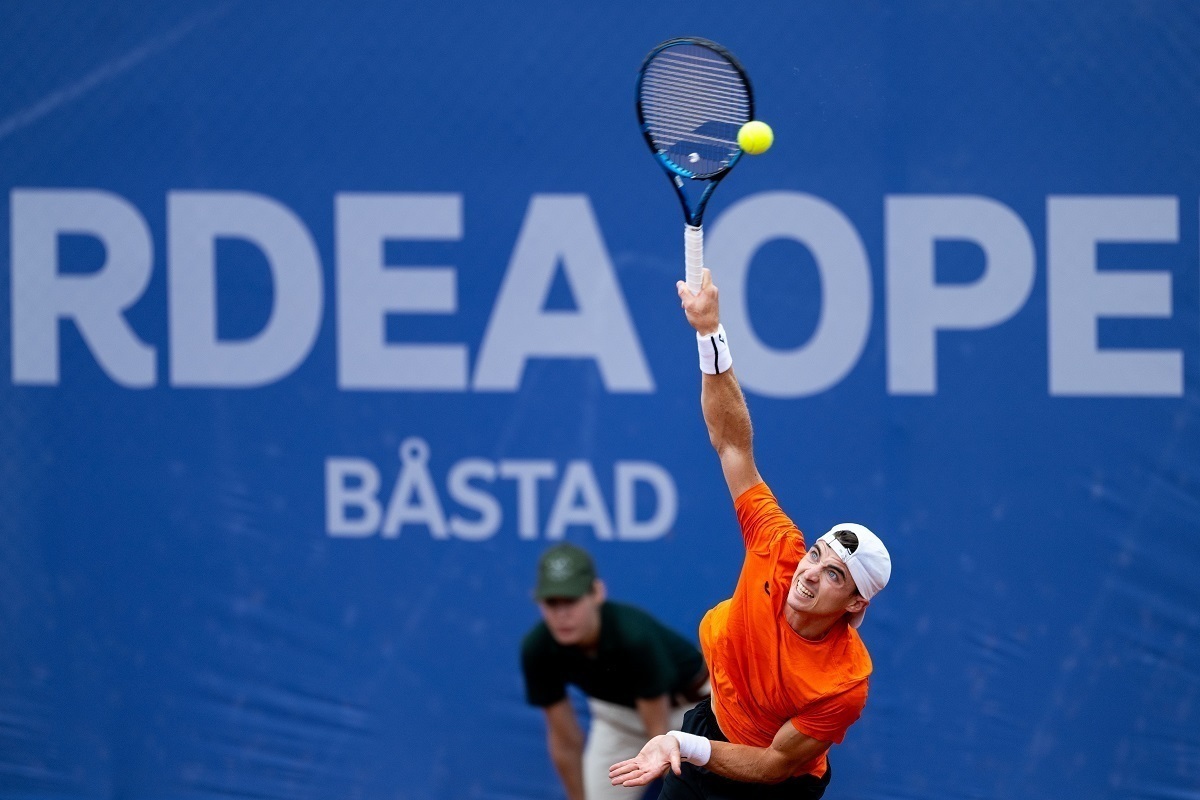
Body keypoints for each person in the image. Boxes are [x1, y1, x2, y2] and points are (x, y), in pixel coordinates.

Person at [608, 269, 892, 799]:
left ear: (854, 604)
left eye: (833, 574)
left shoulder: (843, 684)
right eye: (817, 554)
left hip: (770, 788)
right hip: (708, 733)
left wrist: (679, 744)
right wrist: (710, 334)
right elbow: (732, 444)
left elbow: (771, 765)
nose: (809, 573)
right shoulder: (778, 546)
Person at [521, 542, 711, 800]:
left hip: (691, 711)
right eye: (552, 603)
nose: (562, 614)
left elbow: (658, 732)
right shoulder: (537, 649)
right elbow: (565, 740)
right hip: (617, 722)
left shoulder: (633, 636)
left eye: (571, 600)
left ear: (596, 593)